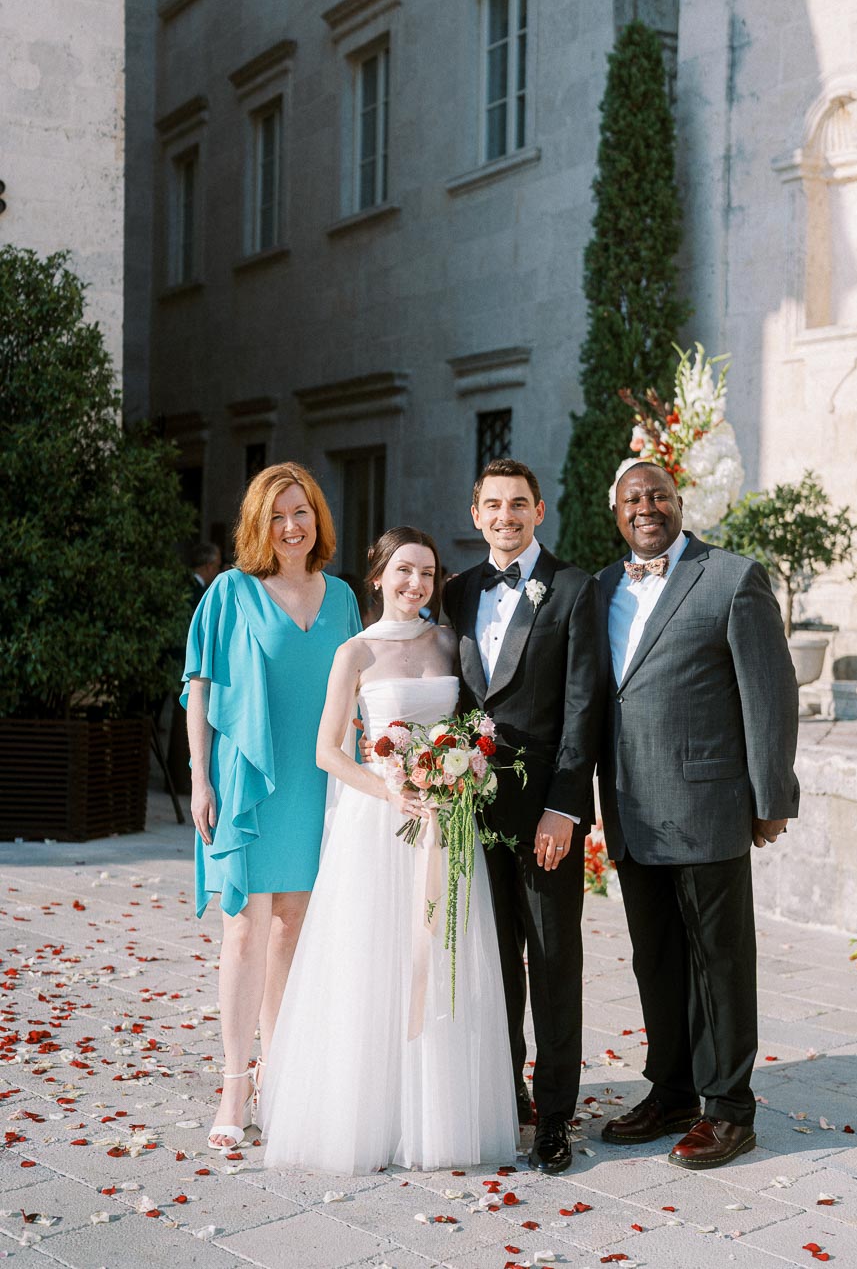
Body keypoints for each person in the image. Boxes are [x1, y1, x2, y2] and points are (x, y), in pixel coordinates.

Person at [261, 527, 518, 1174]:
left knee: (439, 958)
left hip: (445, 823)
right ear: (376, 576)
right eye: (404, 571)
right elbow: (327, 751)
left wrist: (458, 777)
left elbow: (469, 728)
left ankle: (435, 1118)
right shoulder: (355, 653)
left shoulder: (446, 643)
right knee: (372, 963)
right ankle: (369, 1116)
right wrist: (390, 791)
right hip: (378, 826)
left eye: (428, 574)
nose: (416, 585)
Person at [595, 460, 799, 1169]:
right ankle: (672, 1089)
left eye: (658, 495)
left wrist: (771, 799)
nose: (646, 507)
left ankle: (729, 1109)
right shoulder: (600, 590)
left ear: (679, 503)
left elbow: (770, 695)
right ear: (615, 512)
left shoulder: (732, 578)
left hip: (708, 805)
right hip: (631, 809)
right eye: (632, 499)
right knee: (656, 959)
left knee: (719, 960)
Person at [183, 462, 362, 1151]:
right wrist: (200, 779)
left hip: (317, 782)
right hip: (244, 783)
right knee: (245, 930)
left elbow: (358, 692)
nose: (292, 525)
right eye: (278, 514)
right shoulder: (230, 592)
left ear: (318, 518)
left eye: (303, 511)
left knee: (293, 925)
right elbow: (197, 686)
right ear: (259, 525)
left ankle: (280, 1075)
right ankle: (234, 1083)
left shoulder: (343, 596)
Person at [442, 459, 603, 1174]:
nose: (505, 517)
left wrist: (565, 806)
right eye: (492, 505)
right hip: (470, 813)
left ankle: (556, 1118)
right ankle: (508, 1095)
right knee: (493, 962)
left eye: (518, 505)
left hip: (544, 816)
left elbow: (583, 707)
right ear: (475, 514)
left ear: (540, 512)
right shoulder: (455, 593)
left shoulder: (574, 590)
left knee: (553, 960)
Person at [168, 541, 222, 795]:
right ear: (210, 565)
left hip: (183, 664)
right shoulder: (201, 593)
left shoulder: (182, 586)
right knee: (186, 724)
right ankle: (181, 781)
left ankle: (179, 779)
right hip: (187, 665)